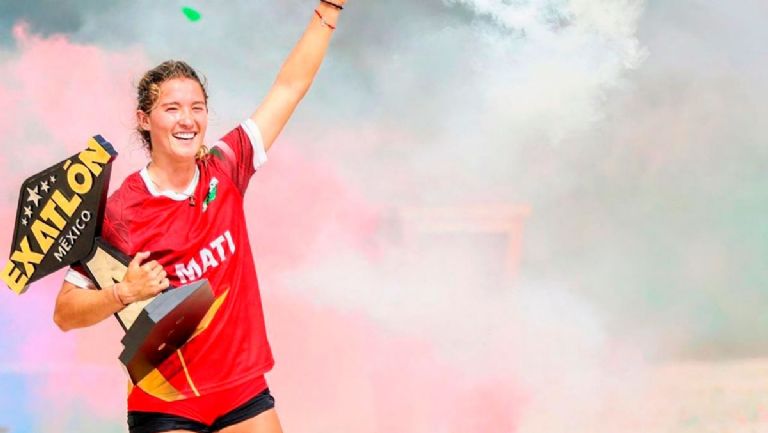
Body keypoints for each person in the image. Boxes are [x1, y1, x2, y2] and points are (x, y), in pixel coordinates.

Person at [52, 1, 347, 432]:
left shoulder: (226, 167)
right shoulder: (120, 211)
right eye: (172, 108)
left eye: (197, 107)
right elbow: (65, 313)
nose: (187, 120)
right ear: (144, 120)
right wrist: (123, 292)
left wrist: (330, 8)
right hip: (165, 403)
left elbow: (289, 88)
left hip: (242, 390)